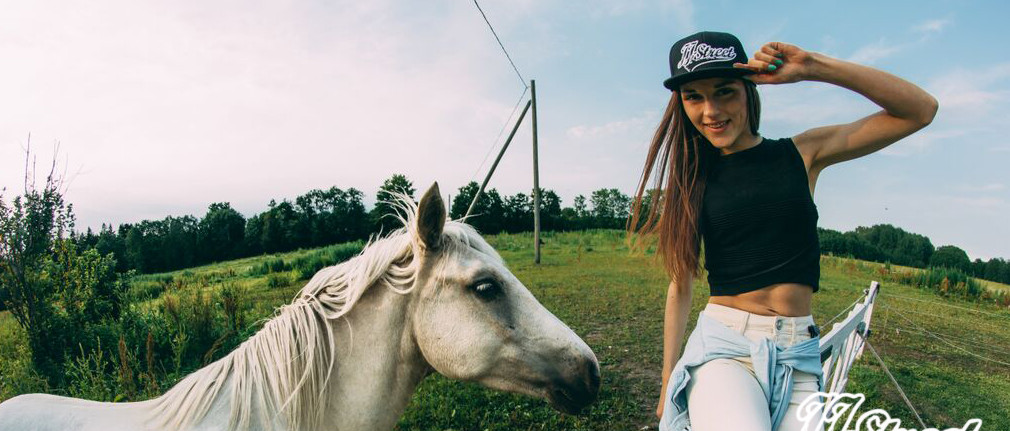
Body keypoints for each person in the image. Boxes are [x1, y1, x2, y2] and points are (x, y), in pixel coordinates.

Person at [629, 31, 937, 431]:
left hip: (799, 355)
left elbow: (919, 110)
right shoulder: (693, 182)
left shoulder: (802, 154)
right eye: (694, 96)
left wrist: (813, 67)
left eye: (725, 92)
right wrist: (669, 375)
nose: (711, 110)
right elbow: (681, 285)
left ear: (749, 90)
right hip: (725, 347)